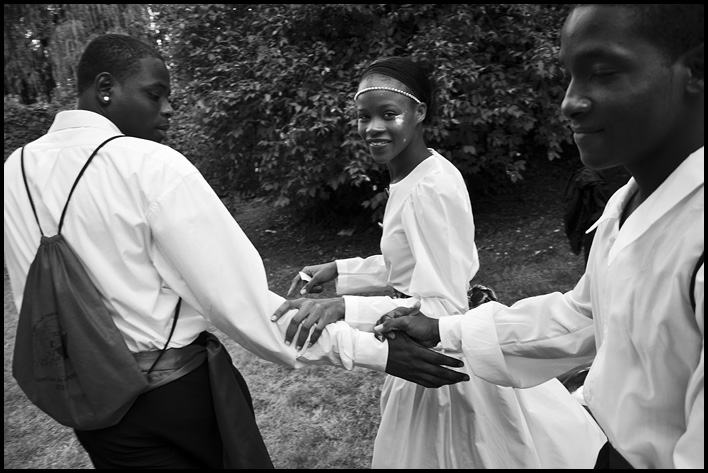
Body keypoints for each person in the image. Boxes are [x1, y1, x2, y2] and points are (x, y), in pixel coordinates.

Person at [3, 34, 469, 469]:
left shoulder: (15, 171)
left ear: (420, 113)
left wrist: (344, 290)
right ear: (106, 88)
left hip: (90, 404)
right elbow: (239, 304)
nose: (169, 110)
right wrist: (367, 349)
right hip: (174, 400)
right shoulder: (149, 165)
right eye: (155, 94)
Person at [375, 4, 704, 469]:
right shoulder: (626, 206)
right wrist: (443, 330)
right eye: (570, 76)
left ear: (696, 71)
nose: (569, 101)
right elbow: (585, 316)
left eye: (603, 72)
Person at [273, 56, 606, 469]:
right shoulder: (414, 175)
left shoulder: (430, 188)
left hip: (442, 353)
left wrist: (345, 308)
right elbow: (410, 260)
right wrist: (341, 271)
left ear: (420, 113)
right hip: (430, 339)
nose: (373, 127)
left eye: (388, 114)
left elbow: (441, 307)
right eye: (363, 116)